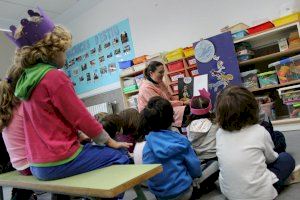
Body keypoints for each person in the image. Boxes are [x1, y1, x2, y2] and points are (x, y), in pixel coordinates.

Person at [5, 7, 130, 181]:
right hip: (60, 161)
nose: (66, 55)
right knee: (120, 155)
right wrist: (109, 141)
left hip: (37, 165)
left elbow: (50, 121)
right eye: (64, 51)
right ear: (52, 51)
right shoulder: (54, 77)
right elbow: (81, 116)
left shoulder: (26, 81)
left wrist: (80, 136)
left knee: (94, 155)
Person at [215, 85, 298, 200]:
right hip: (260, 194)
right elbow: (271, 159)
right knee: (286, 158)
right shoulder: (259, 131)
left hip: (229, 193)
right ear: (253, 109)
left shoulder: (219, 133)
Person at [141, 96, 202, 200]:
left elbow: (150, 176)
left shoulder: (147, 145)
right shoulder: (181, 141)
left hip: (160, 196)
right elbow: (196, 170)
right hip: (183, 192)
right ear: (172, 118)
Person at [185, 89, 219, 194]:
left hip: (197, 160)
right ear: (209, 107)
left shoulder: (189, 126)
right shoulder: (216, 124)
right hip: (215, 158)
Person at [138, 61, 189, 127]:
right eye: (160, 72)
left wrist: (182, 98)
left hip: (164, 108)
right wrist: (182, 103)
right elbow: (161, 104)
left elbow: (170, 96)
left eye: (163, 72)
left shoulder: (160, 82)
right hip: (154, 116)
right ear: (151, 73)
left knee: (188, 108)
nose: (163, 75)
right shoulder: (146, 88)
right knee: (185, 110)